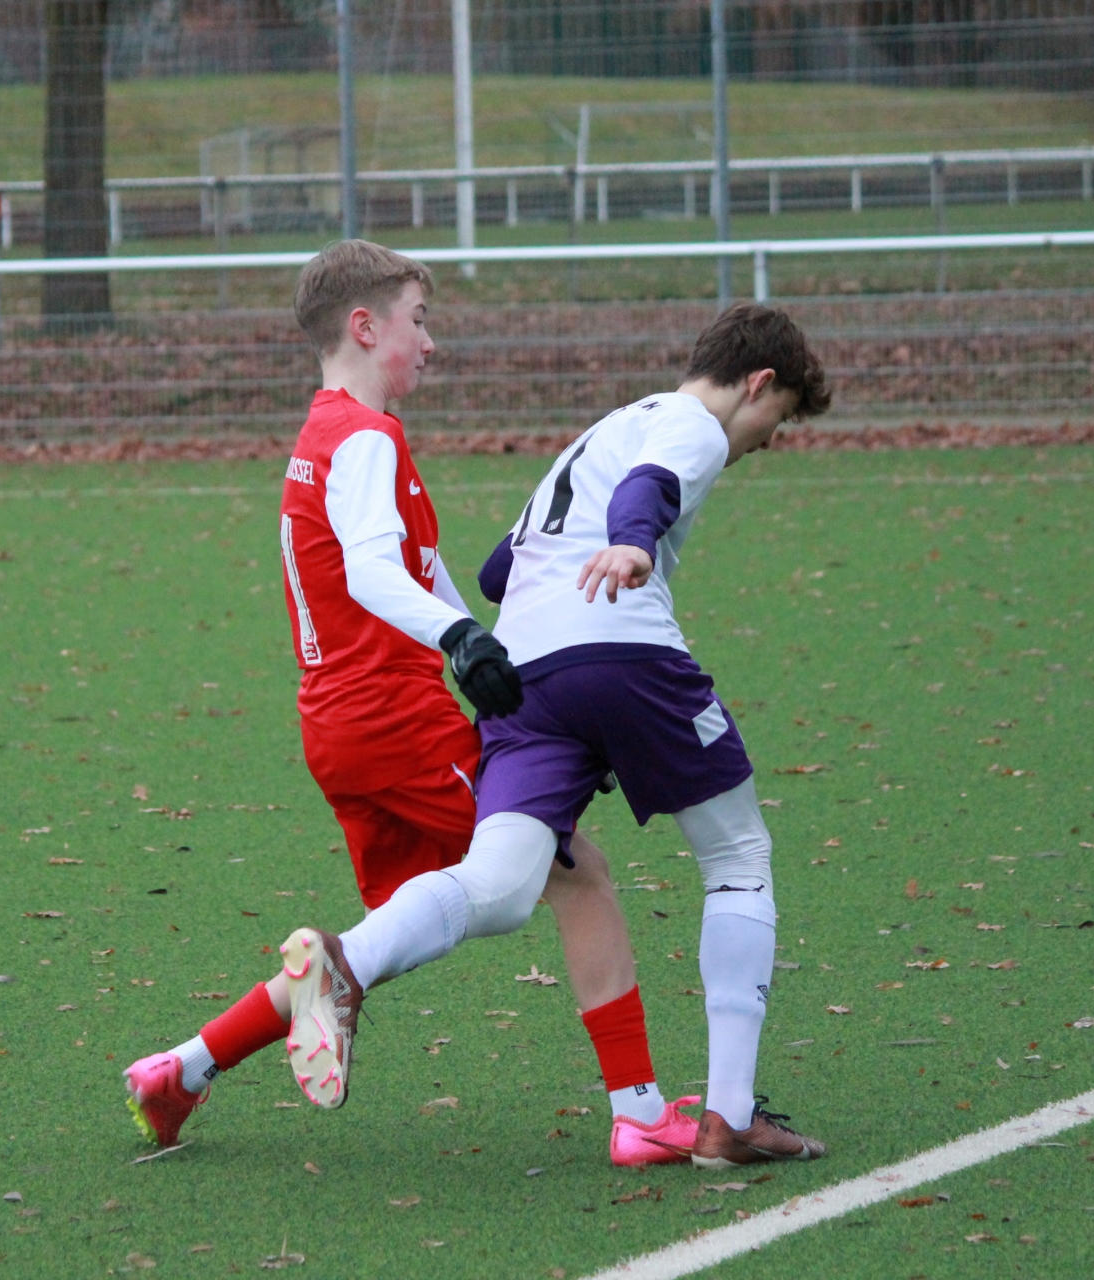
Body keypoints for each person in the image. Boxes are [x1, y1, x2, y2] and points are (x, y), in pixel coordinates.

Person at [122, 240, 689, 1168]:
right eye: (417, 321)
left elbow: (415, 572)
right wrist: (461, 642)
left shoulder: (326, 434)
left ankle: (180, 1071)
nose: (429, 342)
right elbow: (374, 573)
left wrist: (496, 651)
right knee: (576, 875)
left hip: (338, 726)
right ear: (364, 325)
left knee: (385, 937)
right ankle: (639, 1113)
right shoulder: (365, 439)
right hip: (393, 716)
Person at [277, 302, 834, 1168]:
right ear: (758, 382)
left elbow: (500, 568)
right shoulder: (691, 423)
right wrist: (635, 546)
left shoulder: (603, 431)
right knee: (738, 856)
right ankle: (729, 1117)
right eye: (779, 418)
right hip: (623, 648)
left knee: (501, 884)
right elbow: (648, 493)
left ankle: (349, 961)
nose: (766, 441)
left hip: (526, 681)